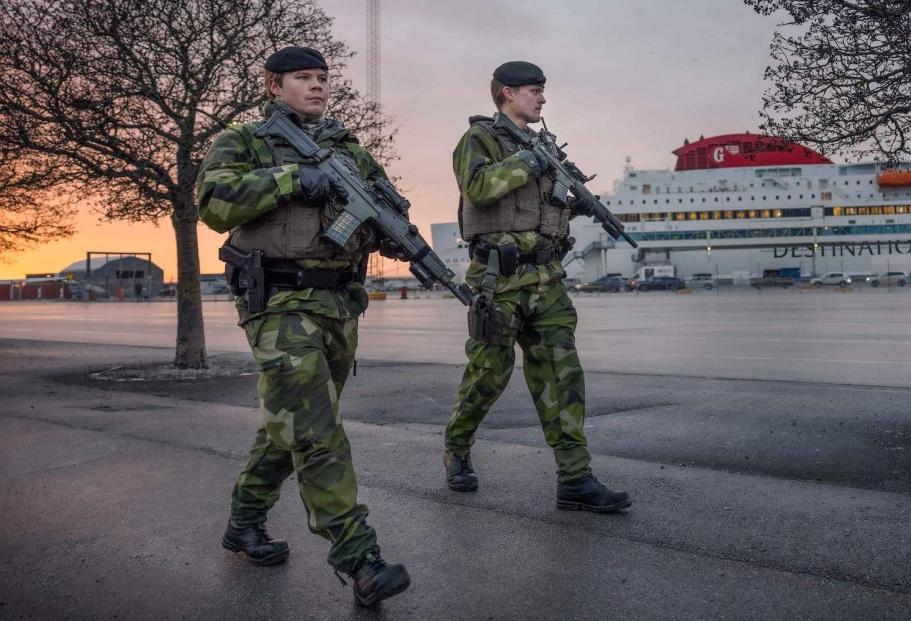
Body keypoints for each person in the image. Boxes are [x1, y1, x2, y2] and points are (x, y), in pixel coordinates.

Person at [195, 46, 410, 607]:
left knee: (288, 425)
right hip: (280, 304)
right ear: (274, 85)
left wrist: (393, 227)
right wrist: (292, 178)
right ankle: (360, 558)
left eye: (322, 78)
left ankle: (244, 521)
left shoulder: (351, 150)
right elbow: (215, 203)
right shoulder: (243, 141)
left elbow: (386, 215)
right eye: (302, 78)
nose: (316, 86)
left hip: (339, 305)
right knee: (316, 429)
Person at [443, 60, 631, 513]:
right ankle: (457, 444)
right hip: (498, 280)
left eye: (543, 91)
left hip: (548, 280)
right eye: (534, 91)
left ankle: (575, 478)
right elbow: (480, 188)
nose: (542, 99)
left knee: (562, 376)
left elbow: (539, 205)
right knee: (489, 373)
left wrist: (573, 207)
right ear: (507, 93)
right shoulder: (479, 139)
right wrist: (531, 159)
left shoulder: (541, 145)